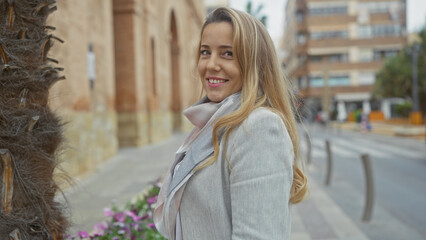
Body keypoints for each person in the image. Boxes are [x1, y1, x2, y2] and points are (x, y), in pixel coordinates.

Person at [154, 7, 308, 240]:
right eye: (205, 52)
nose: (211, 64)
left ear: (254, 63)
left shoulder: (259, 128)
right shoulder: (213, 123)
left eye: (227, 54)